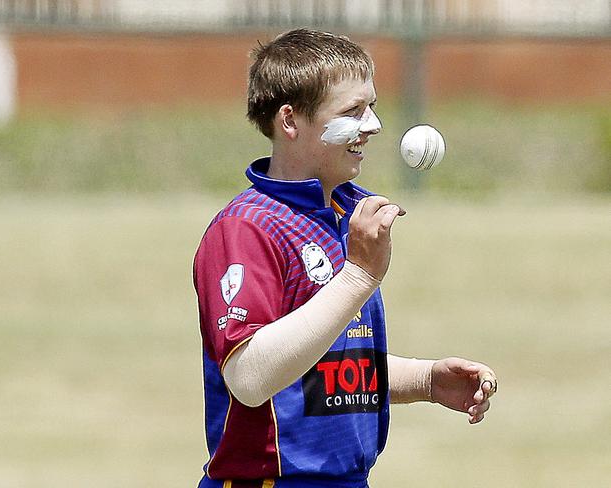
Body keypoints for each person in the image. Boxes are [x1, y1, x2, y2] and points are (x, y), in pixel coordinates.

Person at [193, 28, 497, 488]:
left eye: (372, 107)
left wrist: (425, 381)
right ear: (290, 121)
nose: (373, 125)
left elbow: (323, 369)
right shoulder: (248, 227)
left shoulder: (345, 213)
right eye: (353, 111)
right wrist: (358, 276)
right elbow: (250, 377)